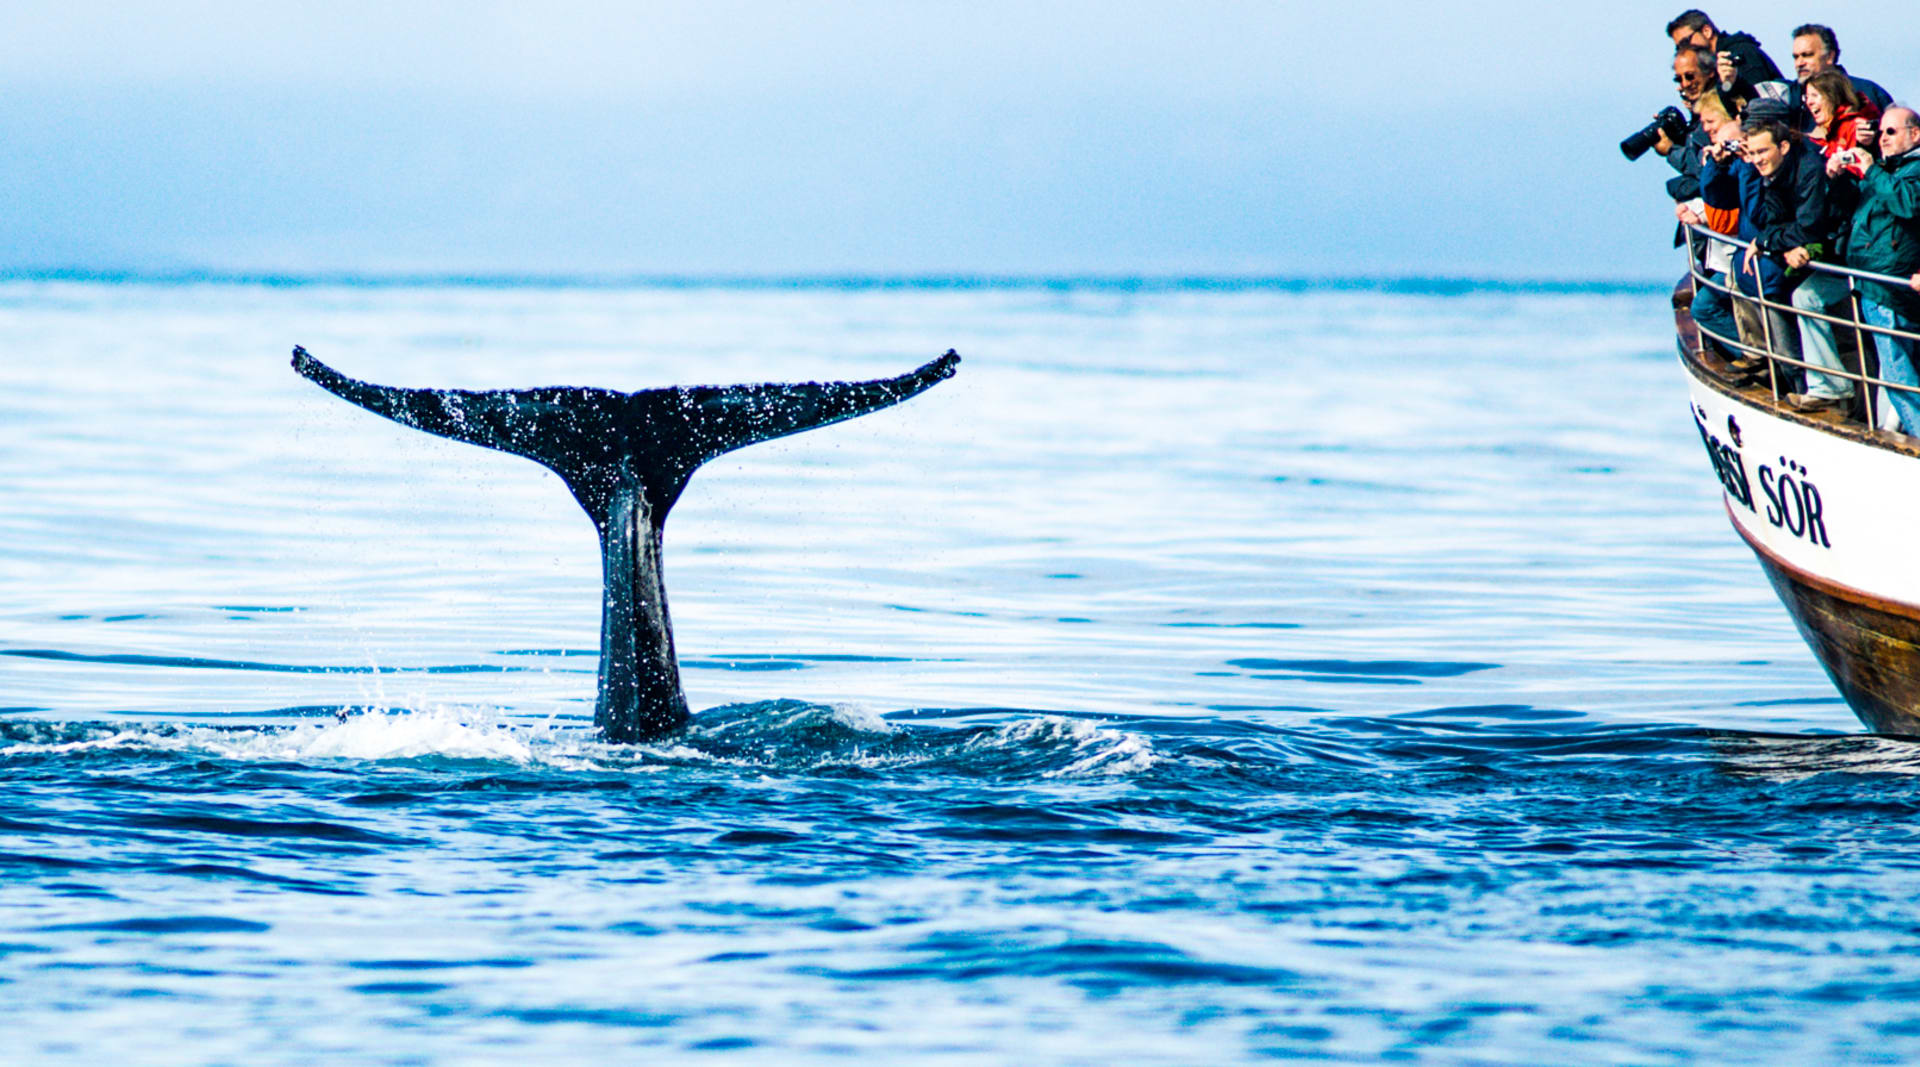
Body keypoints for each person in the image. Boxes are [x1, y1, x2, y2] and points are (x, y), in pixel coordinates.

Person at [1827, 107, 1920, 433]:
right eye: (1881, 133)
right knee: (1897, 368)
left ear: (1915, 134)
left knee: (1897, 372)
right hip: (1873, 282)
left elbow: (1906, 203)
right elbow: (1854, 210)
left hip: (1890, 286)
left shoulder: (1913, 170)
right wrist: (1837, 178)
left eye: (1891, 132)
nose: (1883, 139)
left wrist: (1871, 170)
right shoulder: (1885, 169)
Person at [1788, 24, 1893, 122]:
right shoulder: (1789, 96)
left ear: (1830, 56)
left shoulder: (1867, 92)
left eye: (1807, 55)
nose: (1799, 63)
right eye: (1796, 57)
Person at [1667, 10, 1783, 92]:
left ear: (1707, 31)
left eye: (1685, 43)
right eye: (1679, 48)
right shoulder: (1712, 68)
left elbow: (1762, 105)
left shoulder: (1741, 53)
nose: (1684, 51)